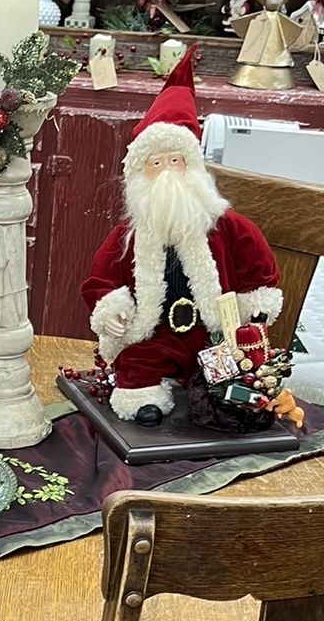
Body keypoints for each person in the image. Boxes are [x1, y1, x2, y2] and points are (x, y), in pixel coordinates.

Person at [80, 47, 282, 420]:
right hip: (154, 334)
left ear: (194, 168)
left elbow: (259, 269)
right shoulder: (131, 235)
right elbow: (101, 279)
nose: (169, 171)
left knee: (230, 377)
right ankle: (145, 403)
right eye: (157, 164)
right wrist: (111, 309)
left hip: (213, 334)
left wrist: (254, 309)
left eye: (177, 161)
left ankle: (224, 403)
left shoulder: (226, 226)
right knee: (137, 364)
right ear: (141, 174)